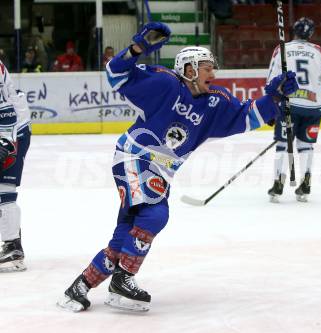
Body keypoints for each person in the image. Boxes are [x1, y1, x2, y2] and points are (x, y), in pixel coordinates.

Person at [57, 22, 298, 312]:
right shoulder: (164, 83)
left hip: (161, 170)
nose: (213, 73)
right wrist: (137, 49)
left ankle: (79, 288)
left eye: (213, 68)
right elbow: (116, 74)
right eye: (206, 67)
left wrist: (274, 98)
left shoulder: (215, 102)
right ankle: (123, 280)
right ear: (188, 68)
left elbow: (247, 116)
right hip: (135, 156)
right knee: (156, 213)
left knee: (124, 237)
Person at [266, 17, 321, 203]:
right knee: (305, 145)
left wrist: (270, 107)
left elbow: (271, 81)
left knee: (283, 145)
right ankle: (306, 181)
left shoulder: (281, 49)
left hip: (290, 105)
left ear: (294, 30)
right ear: (311, 34)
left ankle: (278, 182)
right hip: (314, 106)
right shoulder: (318, 51)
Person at [0, 60, 32, 272]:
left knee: (5, 191)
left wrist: (5, 141)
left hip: (12, 130)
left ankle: (13, 247)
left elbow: (7, 111)